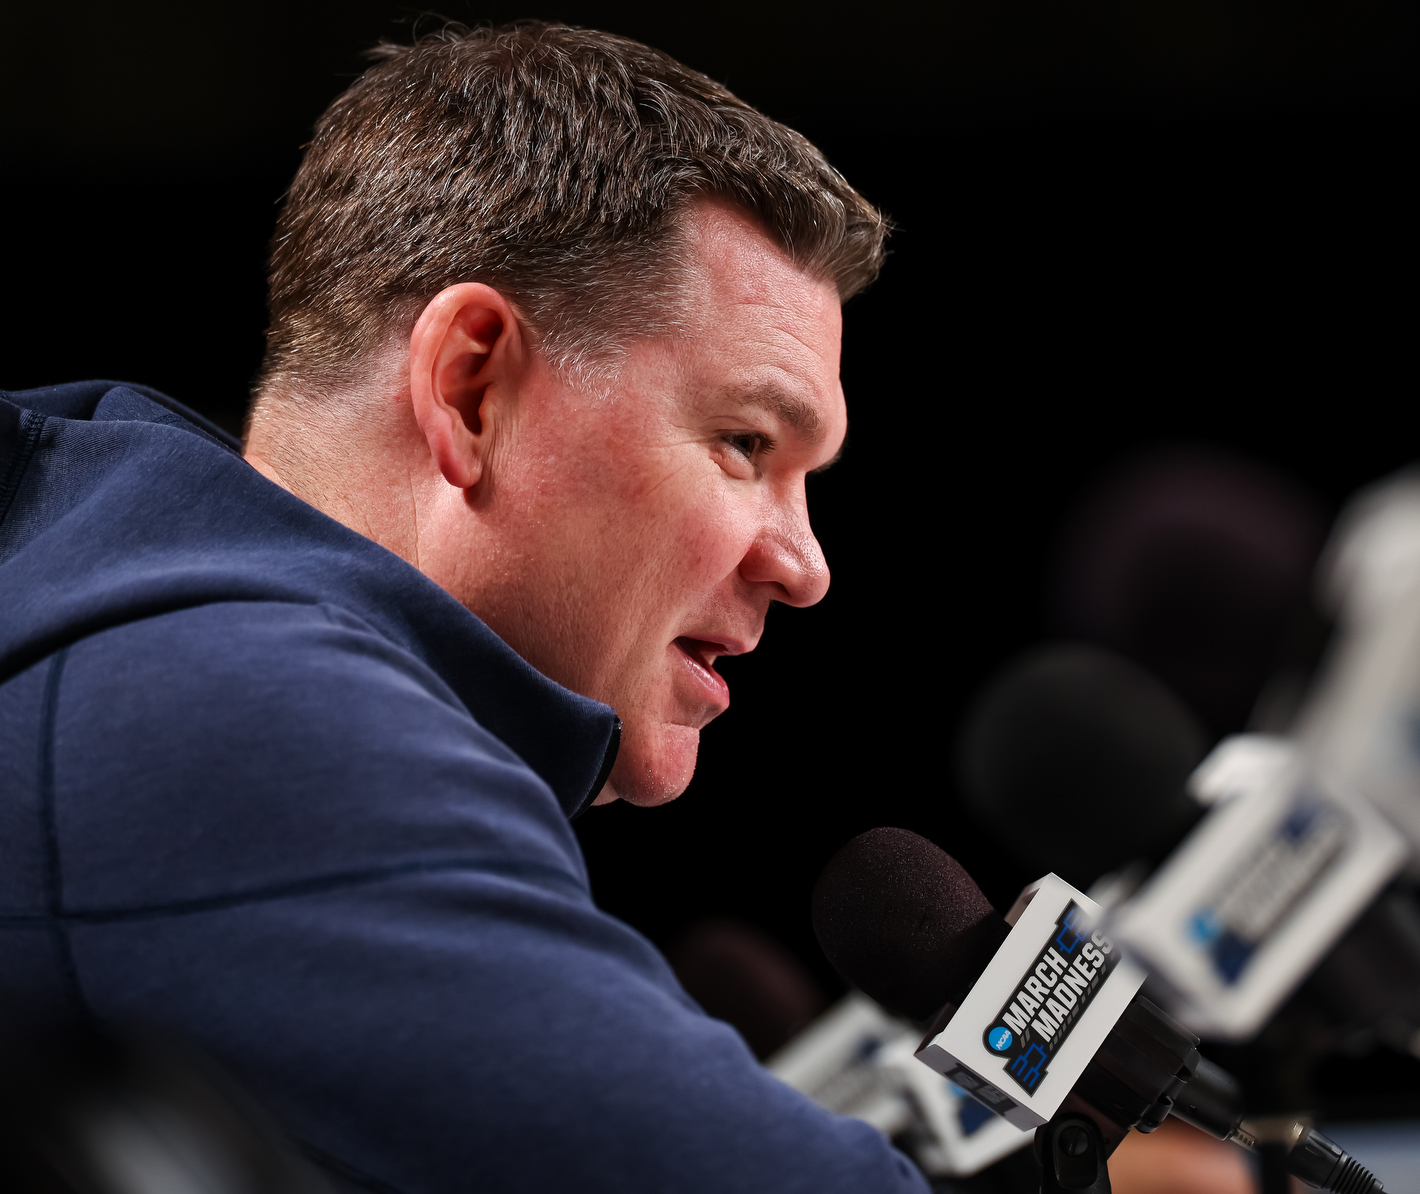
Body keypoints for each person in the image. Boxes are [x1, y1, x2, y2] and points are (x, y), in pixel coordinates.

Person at [0, 22, 928, 1193]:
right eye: (745, 443)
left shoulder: (128, 621)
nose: (804, 565)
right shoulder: (249, 713)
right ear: (470, 384)